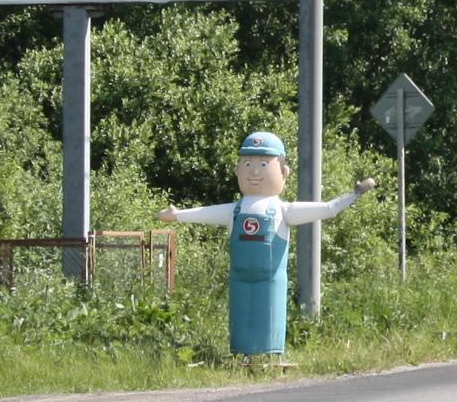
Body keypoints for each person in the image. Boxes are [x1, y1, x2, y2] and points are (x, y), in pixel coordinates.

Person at [161, 131, 377, 359]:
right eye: (248, 164)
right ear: (237, 170)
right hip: (238, 277)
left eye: (264, 164)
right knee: (240, 319)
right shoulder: (234, 210)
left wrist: (354, 195)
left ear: (284, 172)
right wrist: (177, 215)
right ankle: (240, 354)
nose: (254, 172)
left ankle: (269, 355)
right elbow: (204, 213)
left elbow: (328, 209)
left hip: (271, 280)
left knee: (269, 318)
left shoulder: (283, 210)